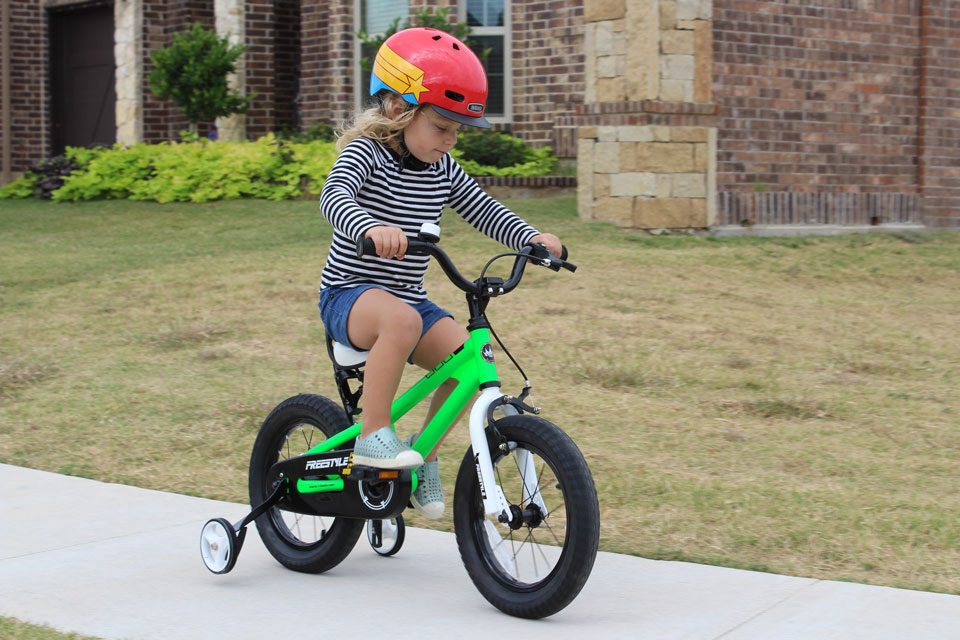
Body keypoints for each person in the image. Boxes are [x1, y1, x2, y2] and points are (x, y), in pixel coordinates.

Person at [318, 27, 562, 519]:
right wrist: (369, 227)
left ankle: (422, 455)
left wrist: (531, 239)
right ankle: (372, 436)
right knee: (403, 322)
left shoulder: (442, 168)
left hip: (407, 297)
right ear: (397, 109)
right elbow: (334, 196)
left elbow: (485, 210)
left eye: (457, 131)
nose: (450, 140)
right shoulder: (367, 152)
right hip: (349, 295)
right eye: (441, 126)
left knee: (467, 359)